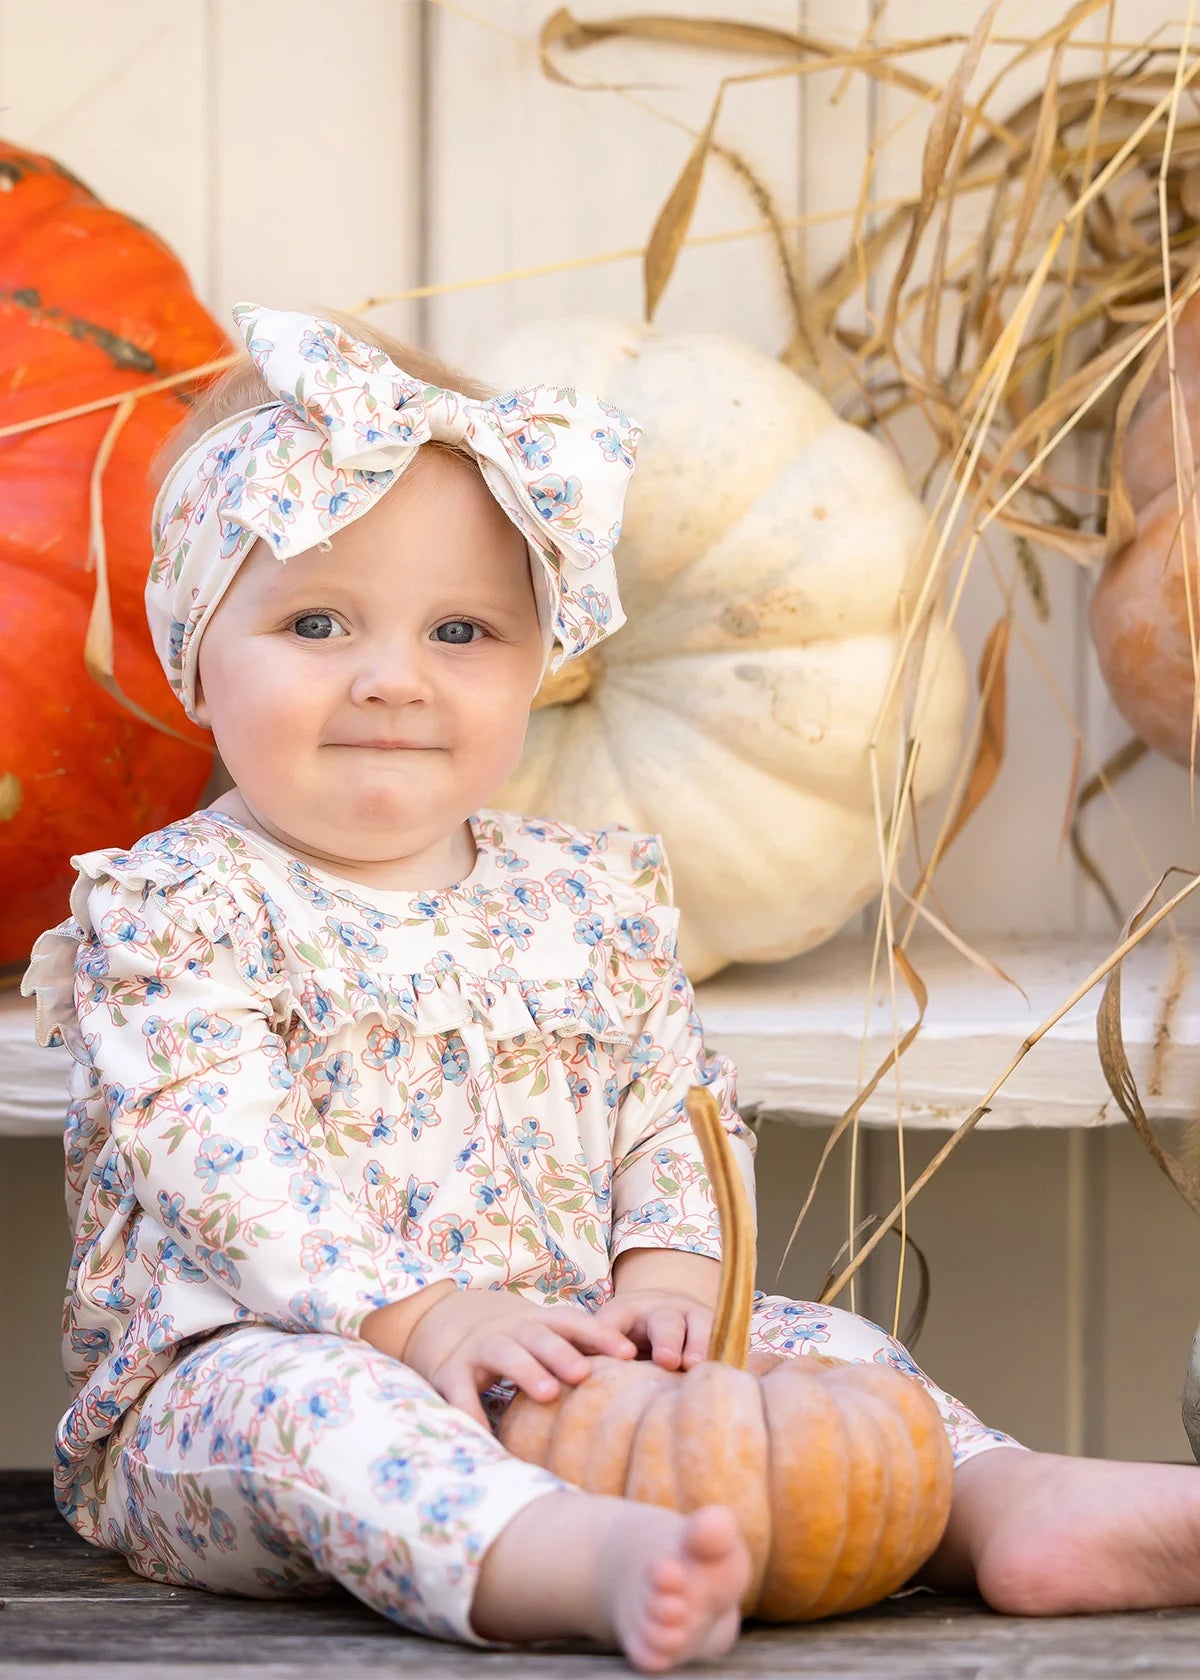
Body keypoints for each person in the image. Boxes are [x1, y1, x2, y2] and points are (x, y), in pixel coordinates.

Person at [21, 302, 1200, 1675]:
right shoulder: (174, 910)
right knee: (316, 1413)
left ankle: (1008, 1502)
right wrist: (420, 1321)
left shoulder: (585, 895)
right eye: (317, 621)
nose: (394, 679)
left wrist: (671, 1270)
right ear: (197, 659)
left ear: (540, 661)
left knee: (817, 1344)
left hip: (580, 1363)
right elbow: (222, 1169)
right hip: (252, 1376)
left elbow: (673, 1107)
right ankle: (572, 1559)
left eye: (462, 631)